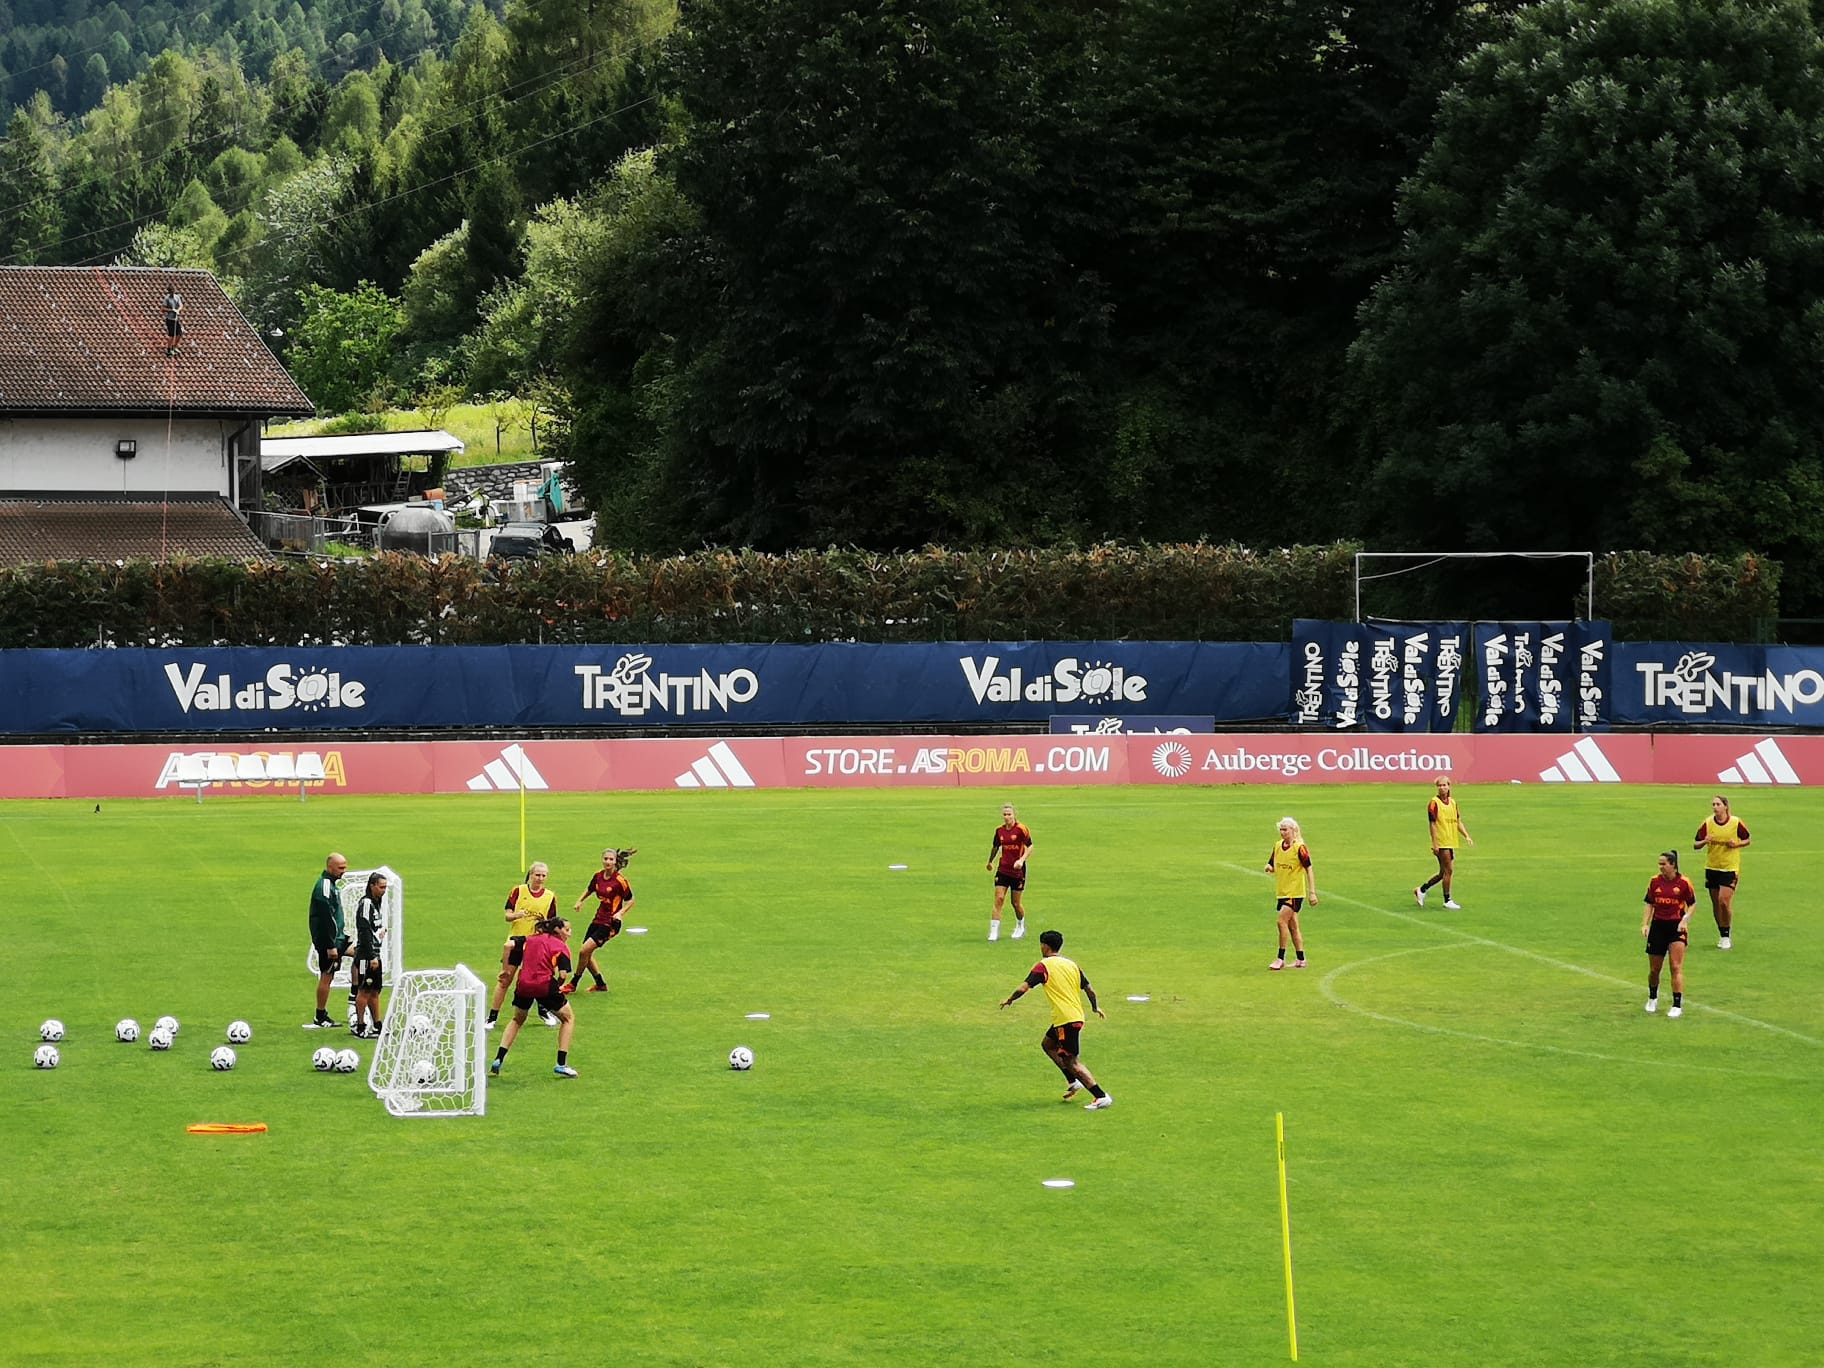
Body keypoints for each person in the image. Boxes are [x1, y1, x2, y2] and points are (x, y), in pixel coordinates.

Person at [999, 929, 1111, 1110]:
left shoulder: (1044, 966)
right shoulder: (1072, 964)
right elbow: (1090, 990)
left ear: (1045, 946)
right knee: (1048, 1044)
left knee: (1072, 1062)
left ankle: (1101, 1096)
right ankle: (1073, 1081)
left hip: (1066, 1020)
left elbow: (1023, 988)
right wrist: (1094, 1007)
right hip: (1072, 1016)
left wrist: (1010, 999)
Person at [490, 916, 578, 1078]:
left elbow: (508, 945)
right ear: (557, 930)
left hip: (523, 985)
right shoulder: (561, 947)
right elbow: (563, 975)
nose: (570, 933)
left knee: (517, 1020)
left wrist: (505, 970)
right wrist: (557, 987)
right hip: (545, 985)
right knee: (568, 1019)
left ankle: (498, 1059)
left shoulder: (530, 939)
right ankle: (561, 1064)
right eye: (567, 930)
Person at [487, 862, 558, 1028]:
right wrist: (516, 915)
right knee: (505, 980)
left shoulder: (550, 896)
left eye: (543, 875)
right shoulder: (518, 891)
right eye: (537, 875)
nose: (540, 878)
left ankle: (543, 1011)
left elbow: (551, 922)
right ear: (531, 875)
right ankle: (492, 1017)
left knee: (539, 981)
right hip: (516, 941)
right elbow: (507, 915)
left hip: (536, 945)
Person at [565, 847, 635, 994]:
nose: (608, 862)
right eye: (605, 859)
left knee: (584, 951)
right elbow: (590, 889)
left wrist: (620, 913)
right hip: (598, 919)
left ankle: (573, 983)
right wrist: (580, 901)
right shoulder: (598, 876)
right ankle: (600, 984)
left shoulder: (620, 881)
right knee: (586, 953)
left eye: (611, 859)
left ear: (615, 862)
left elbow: (630, 900)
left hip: (611, 923)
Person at [1641, 850, 1696, 1018]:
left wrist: (1685, 920)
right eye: (1659, 864)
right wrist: (1645, 924)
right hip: (1658, 927)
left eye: (1663, 864)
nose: (1661, 867)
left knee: (1676, 966)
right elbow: (1649, 903)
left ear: (1673, 865)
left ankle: (1677, 1005)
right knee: (1654, 969)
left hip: (1676, 928)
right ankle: (1652, 998)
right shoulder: (1654, 882)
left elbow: (1692, 904)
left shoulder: (1684, 883)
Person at [1693, 794, 1750, 949]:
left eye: (1718, 804)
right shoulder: (1708, 823)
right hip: (1712, 867)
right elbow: (1695, 844)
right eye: (1713, 804)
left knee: (1723, 900)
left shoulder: (1735, 822)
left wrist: (1736, 845)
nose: (1715, 807)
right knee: (1716, 904)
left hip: (1729, 868)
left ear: (1725, 806)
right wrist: (1704, 841)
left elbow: (1747, 839)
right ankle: (1722, 933)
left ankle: (1726, 935)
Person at [1414, 775, 1474, 909]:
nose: (1442, 788)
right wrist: (1435, 843)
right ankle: (1447, 900)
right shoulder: (1434, 803)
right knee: (1449, 871)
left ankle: (1422, 890)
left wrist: (1466, 835)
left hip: (1450, 840)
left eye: (1444, 785)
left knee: (1443, 873)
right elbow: (1432, 824)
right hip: (1442, 842)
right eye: (1439, 786)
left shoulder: (1453, 803)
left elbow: (1457, 821)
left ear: (1449, 786)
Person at [304, 851, 349, 1030]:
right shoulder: (324, 887)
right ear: (330, 867)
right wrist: (330, 945)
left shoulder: (330, 884)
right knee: (327, 976)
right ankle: (320, 1015)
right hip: (329, 941)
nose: (344, 871)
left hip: (338, 937)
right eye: (340, 868)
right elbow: (325, 918)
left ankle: (354, 1000)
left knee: (363, 955)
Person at [1266, 817, 1317, 970]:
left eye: (1285, 829)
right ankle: (1301, 959)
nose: (1282, 832)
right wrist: (1269, 867)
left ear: (1293, 830)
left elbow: (1309, 869)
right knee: (1293, 926)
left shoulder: (1300, 848)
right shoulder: (1278, 846)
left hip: (1295, 893)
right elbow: (1273, 863)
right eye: (1281, 829)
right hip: (1282, 892)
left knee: (1281, 921)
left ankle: (1280, 958)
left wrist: (1312, 892)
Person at [985, 803, 1033, 942]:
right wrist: (990, 861)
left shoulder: (1021, 829)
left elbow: (1030, 846)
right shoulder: (999, 831)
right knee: (999, 899)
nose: (1007, 817)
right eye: (1005, 814)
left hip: (1017, 871)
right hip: (1003, 869)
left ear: (1014, 815)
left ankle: (1020, 925)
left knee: (1015, 903)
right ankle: (994, 932)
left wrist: (1021, 860)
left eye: (1009, 814)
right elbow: (995, 847)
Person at [351, 871, 388, 1038]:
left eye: (385, 887)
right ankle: (360, 1026)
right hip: (366, 956)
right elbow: (364, 930)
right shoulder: (366, 904)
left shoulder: (376, 902)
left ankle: (377, 1025)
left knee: (375, 991)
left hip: (375, 954)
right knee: (364, 990)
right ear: (372, 886)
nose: (383, 890)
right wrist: (371, 955)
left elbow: (373, 929)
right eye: (381, 887)